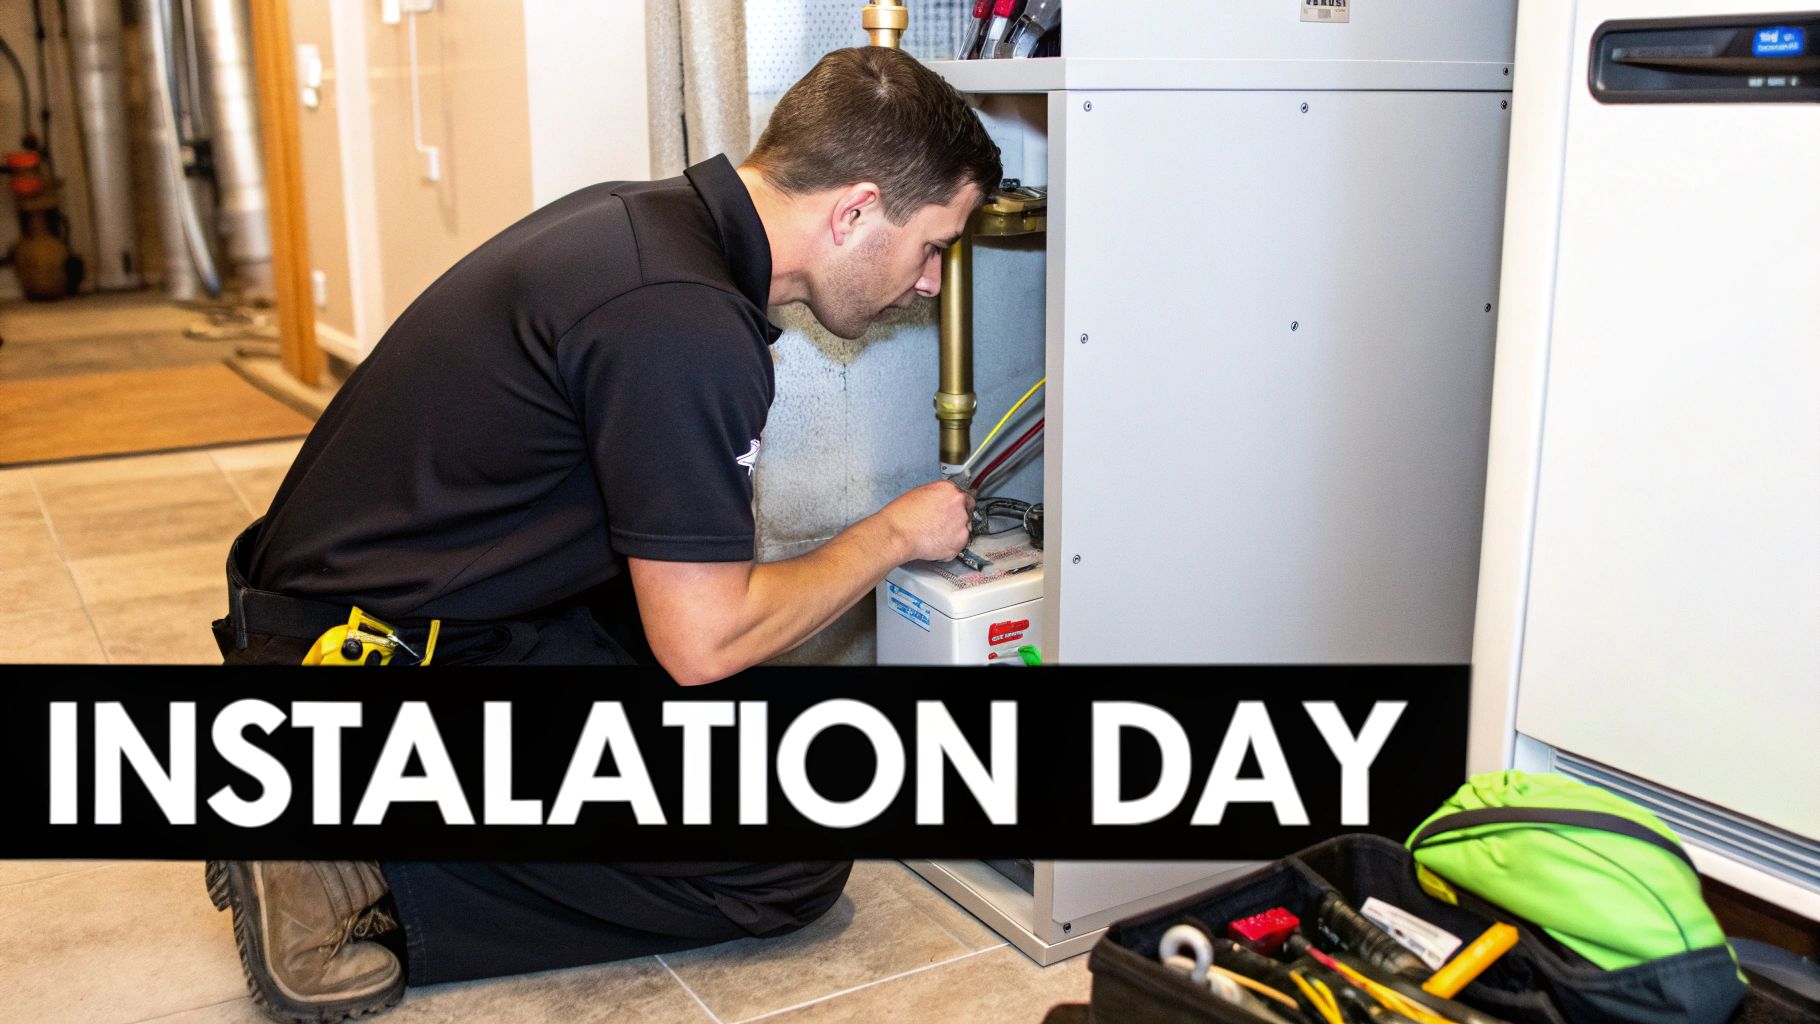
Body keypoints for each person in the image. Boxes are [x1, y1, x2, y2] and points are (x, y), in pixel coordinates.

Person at [206, 46, 1001, 1023]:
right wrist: (889, 534)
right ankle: (345, 850)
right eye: (931, 245)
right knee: (787, 857)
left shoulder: (652, 231)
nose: (929, 283)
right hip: (365, 656)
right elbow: (700, 639)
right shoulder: (681, 324)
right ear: (852, 211)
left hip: (417, 610)